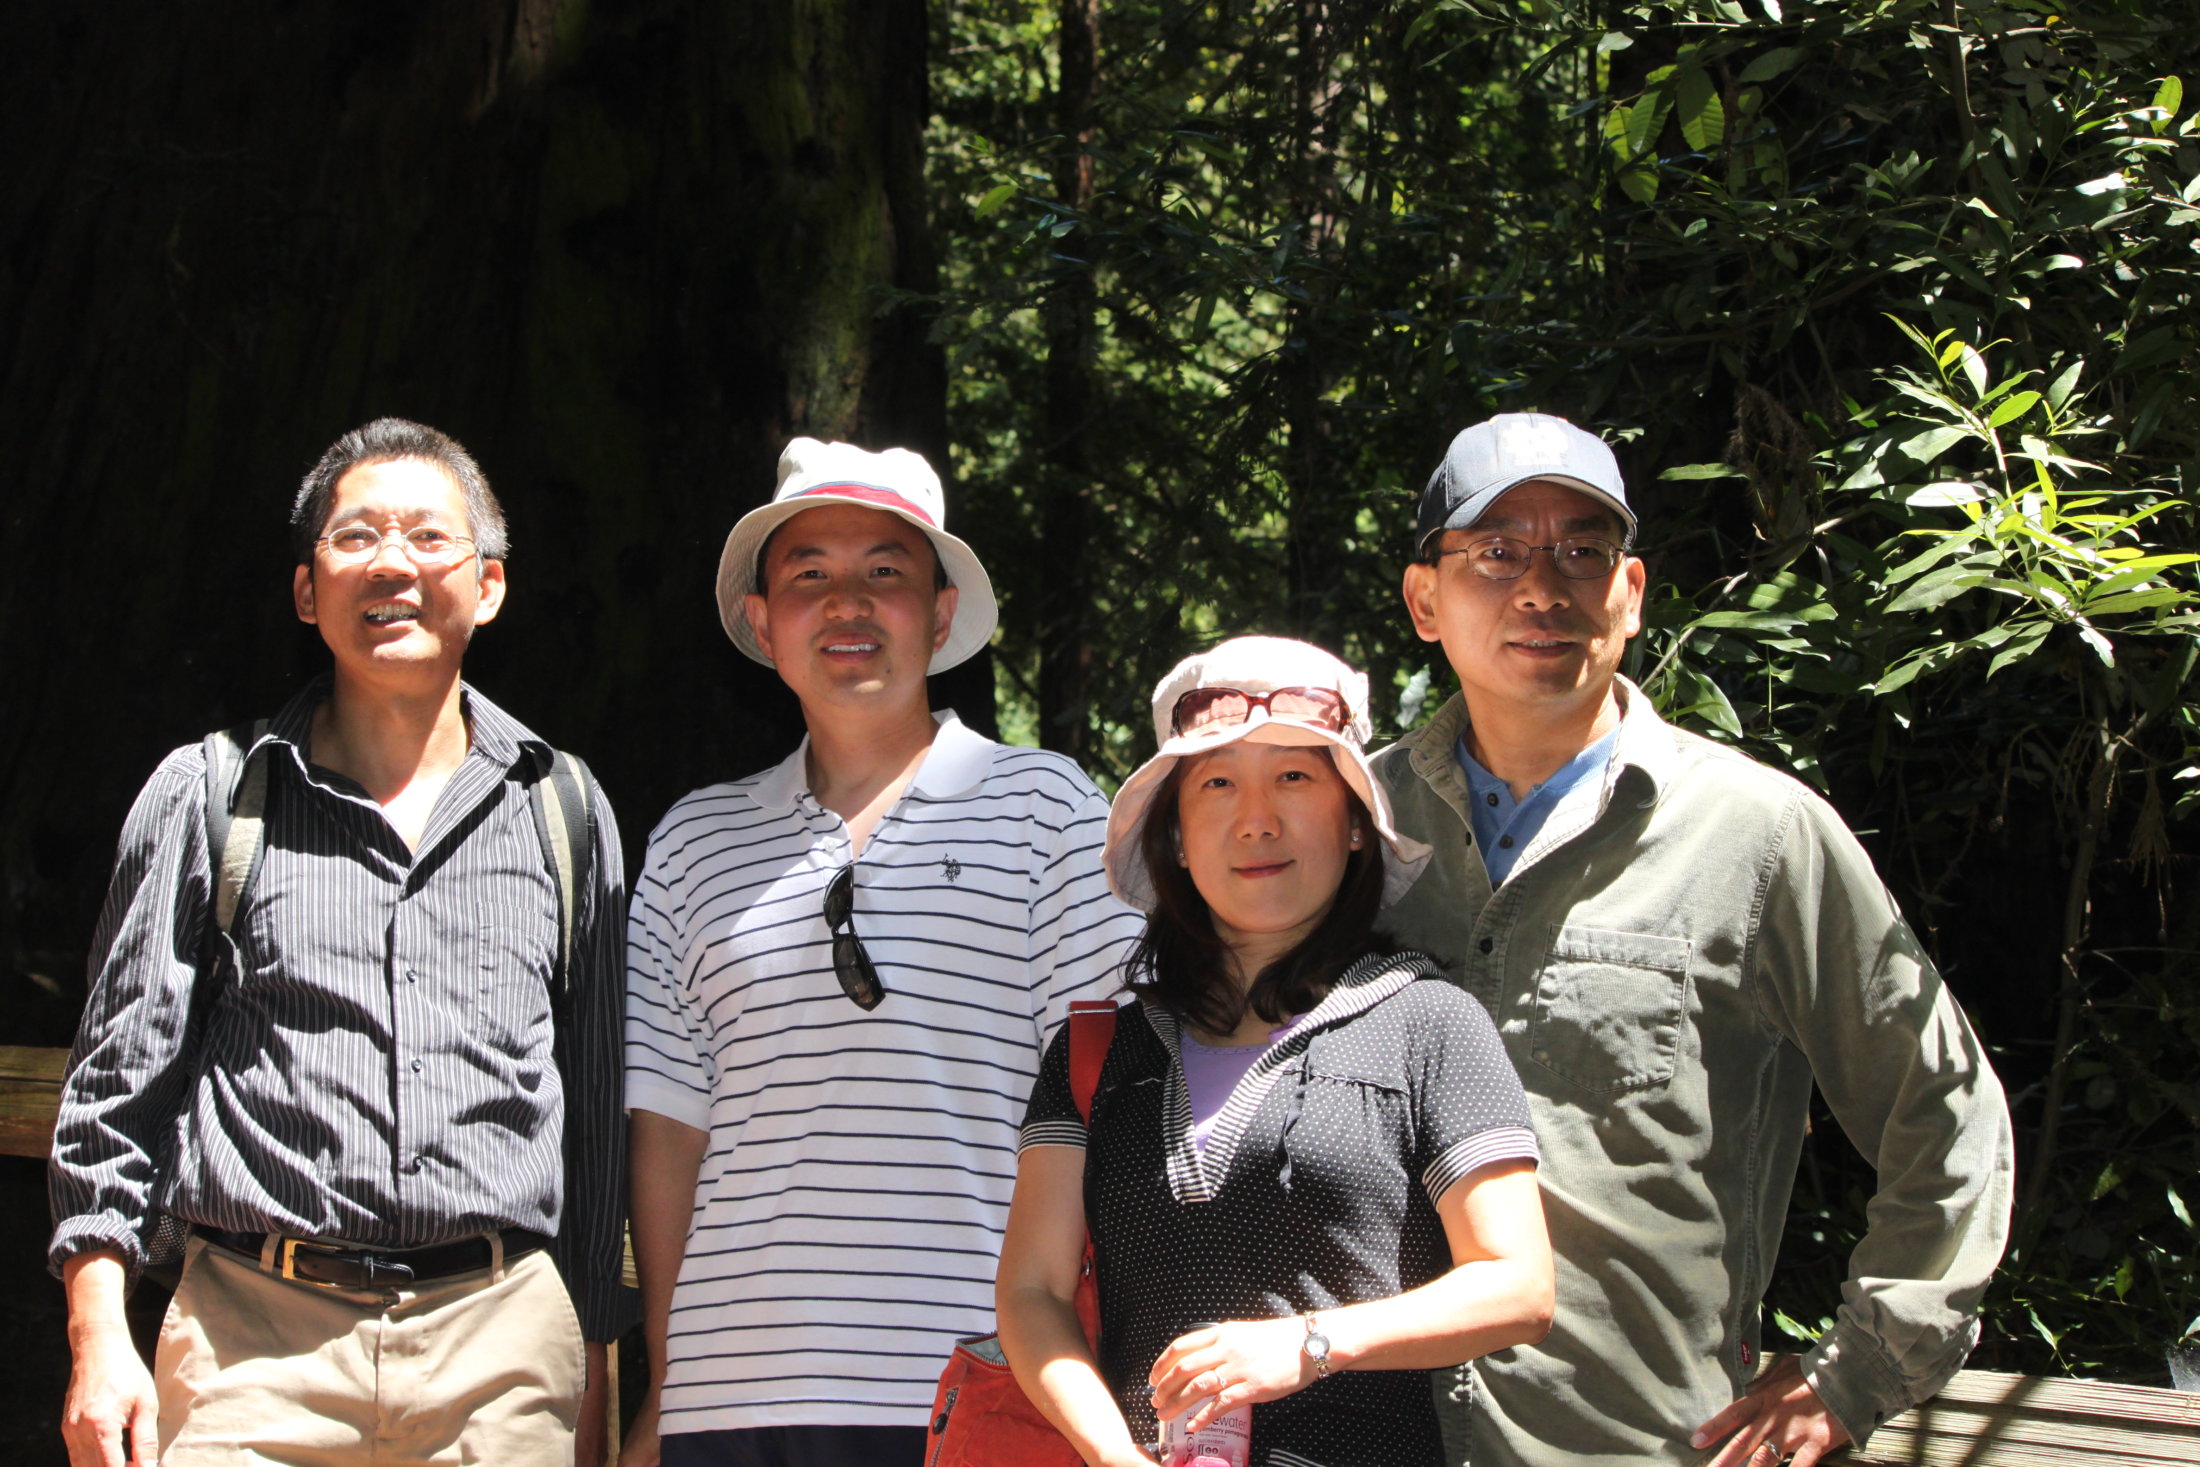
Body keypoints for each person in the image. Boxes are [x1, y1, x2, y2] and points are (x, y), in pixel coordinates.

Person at [1371, 412, 2015, 1467]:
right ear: (1424, 600)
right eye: (1495, 552)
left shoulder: (1757, 836)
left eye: (1582, 550)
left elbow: (1943, 1106)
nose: (1541, 588)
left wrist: (1855, 1373)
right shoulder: (1348, 827)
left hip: (1635, 1446)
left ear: (1629, 594)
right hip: (1362, 1432)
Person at [50, 417, 632, 1467]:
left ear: (489, 585)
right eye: (356, 536)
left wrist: (592, 1365)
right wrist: (99, 1339)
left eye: (429, 536)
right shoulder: (210, 794)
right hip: (248, 1348)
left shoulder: (564, 810)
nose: (392, 563)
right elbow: (115, 1088)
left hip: (502, 1353)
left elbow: (592, 1117)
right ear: (307, 592)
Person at [620, 438, 1144, 1467]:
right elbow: (670, 1135)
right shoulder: (691, 843)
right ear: (763, 621)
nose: (847, 602)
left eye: (885, 571)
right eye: (809, 573)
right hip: (729, 1397)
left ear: (940, 616)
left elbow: (1112, 1094)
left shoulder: (1046, 810)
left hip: (979, 1385)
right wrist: (664, 1385)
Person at [997, 635, 1557, 1467]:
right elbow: (1032, 1289)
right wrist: (1117, 1457)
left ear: (1357, 822)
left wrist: (1310, 1343)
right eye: (1217, 783)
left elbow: (1518, 1285)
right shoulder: (1098, 1052)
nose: (1256, 818)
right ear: (1176, 835)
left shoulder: (1432, 1023)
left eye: (1294, 776)